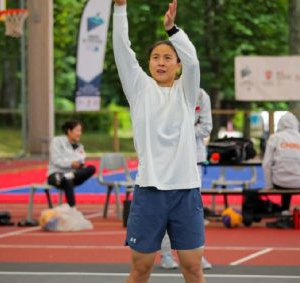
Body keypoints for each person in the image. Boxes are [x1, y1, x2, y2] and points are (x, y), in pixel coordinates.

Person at [113, 0, 206, 282]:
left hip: (185, 191)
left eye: (168, 58)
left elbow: (194, 60)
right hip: (149, 191)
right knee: (140, 269)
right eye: (155, 57)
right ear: (149, 64)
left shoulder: (187, 93)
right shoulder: (139, 89)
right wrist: (119, 9)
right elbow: (121, 50)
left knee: (193, 268)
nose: (161, 62)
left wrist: (172, 30)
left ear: (178, 66)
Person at [160, 89, 213, 270]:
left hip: (193, 158)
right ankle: (166, 254)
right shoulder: (166, 92)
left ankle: (196, 254)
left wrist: (182, 130)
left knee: (192, 210)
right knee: (167, 208)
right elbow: (162, 127)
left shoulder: (201, 95)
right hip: (167, 158)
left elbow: (206, 128)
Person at [262, 112, 300, 214]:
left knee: (284, 174)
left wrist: (269, 185)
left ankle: (285, 210)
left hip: (279, 183)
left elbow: (266, 163)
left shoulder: (274, 138)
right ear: (296, 124)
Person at [47, 121, 96, 208]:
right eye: (77, 131)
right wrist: (71, 164)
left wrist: (80, 165)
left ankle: (68, 175)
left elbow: (81, 162)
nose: (79, 134)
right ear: (69, 131)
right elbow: (56, 160)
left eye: (80, 131)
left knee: (91, 168)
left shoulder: (80, 147)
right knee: (67, 180)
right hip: (56, 175)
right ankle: (73, 209)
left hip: (74, 175)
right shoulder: (57, 141)